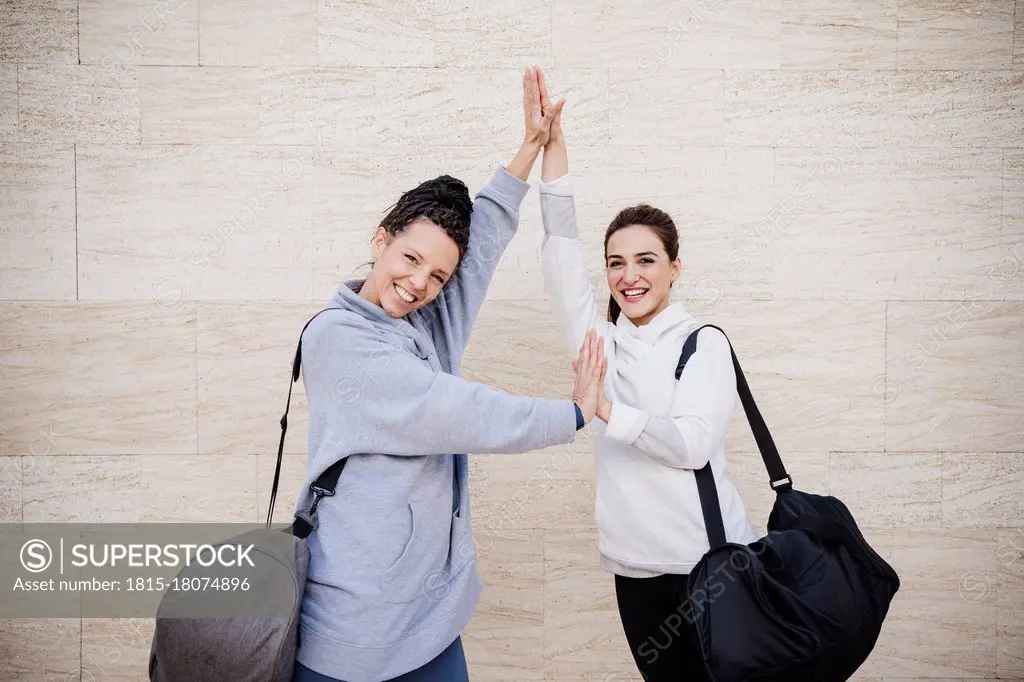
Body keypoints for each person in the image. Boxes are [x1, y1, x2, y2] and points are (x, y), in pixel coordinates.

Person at [290, 67, 606, 682]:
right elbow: (452, 410)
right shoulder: (338, 338)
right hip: (357, 631)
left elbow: (478, 248)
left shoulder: (415, 322)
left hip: (427, 621)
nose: (418, 285)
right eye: (410, 259)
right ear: (381, 240)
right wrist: (572, 413)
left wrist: (530, 147)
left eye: (436, 277)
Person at [533, 71, 759, 681]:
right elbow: (558, 253)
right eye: (615, 263)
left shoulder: (702, 343)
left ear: (674, 267)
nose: (628, 276)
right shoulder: (600, 342)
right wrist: (552, 147)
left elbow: (692, 445)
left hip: (709, 569)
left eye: (645, 260)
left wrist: (604, 407)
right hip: (634, 570)